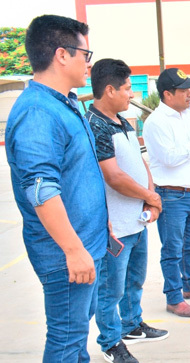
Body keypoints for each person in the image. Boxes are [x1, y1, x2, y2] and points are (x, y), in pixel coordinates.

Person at [5, 15, 108, 362]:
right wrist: (73, 249)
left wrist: (100, 221)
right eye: (85, 53)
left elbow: (77, 175)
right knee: (66, 340)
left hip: (83, 243)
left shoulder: (64, 102)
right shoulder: (38, 112)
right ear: (62, 55)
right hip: (66, 254)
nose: (89, 63)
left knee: (76, 336)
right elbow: (41, 189)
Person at [87, 58, 168, 362]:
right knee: (110, 289)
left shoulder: (122, 120)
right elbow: (114, 177)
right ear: (109, 90)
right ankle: (110, 341)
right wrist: (151, 195)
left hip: (136, 219)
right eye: (126, 89)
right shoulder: (94, 126)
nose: (131, 95)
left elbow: (138, 160)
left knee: (134, 280)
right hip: (115, 227)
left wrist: (150, 198)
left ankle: (132, 324)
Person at [142, 68, 190, 318]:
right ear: (168, 94)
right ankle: (174, 298)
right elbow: (168, 159)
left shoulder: (188, 117)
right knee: (172, 249)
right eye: (184, 90)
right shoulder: (156, 122)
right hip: (171, 195)